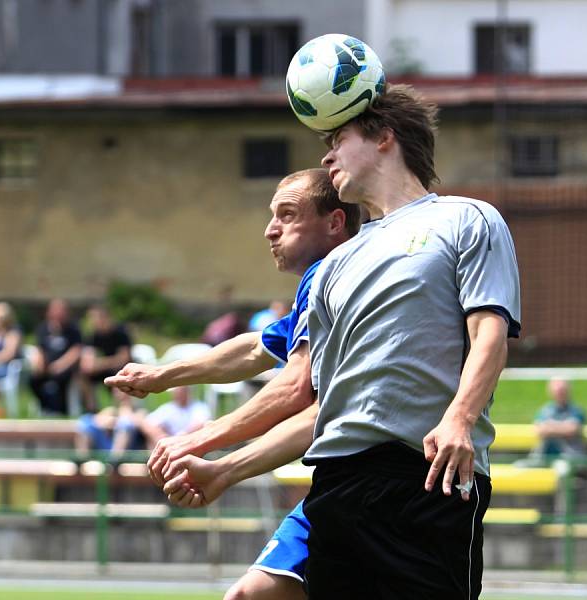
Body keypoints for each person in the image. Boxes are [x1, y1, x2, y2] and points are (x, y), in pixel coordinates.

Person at [165, 85, 521, 600]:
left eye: (339, 137)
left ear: (384, 138)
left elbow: (489, 332)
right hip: (336, 484)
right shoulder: (331, 268)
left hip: (426, 476)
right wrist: (225, 471)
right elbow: (318, 405)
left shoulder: (467, 219)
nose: (327, 155)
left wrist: (460, 417)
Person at [107, 167, 360, 600]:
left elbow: (294, 388)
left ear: (335, 223)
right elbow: (254, 349)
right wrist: (160, 376)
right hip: (348, 479)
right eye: (271, 215)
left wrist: (196, 441)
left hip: (369, 479)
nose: (270, 231)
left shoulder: (328, 275)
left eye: (287, 215)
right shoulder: (323, 285)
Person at [29, 299, 82, 415]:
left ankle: (60, 411)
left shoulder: (73, 330)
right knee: (33, 380)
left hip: (65, 368)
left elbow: (76, 351)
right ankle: (45, 407)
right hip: (46, 367)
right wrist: (39, 363)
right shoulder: (43, 329)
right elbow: (39, 348)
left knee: (61, 379)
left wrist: (60, 365)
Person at [77, 304, 132, 412]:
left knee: (121, 376)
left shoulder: (121, 334)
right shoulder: (92, 337)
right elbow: (87, 364)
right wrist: (100, 364)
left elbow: (123, 358)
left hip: (119, 369)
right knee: (82, 375)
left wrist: (101, 363)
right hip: (101, 370)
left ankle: (123, 411)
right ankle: (92, 410)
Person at [75, 386, 146, 457]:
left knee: (125, 425)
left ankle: (115, 461)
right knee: (85, 421)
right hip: (108, 444)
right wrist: (109, 422)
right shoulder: (111, 410)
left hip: (129, 449)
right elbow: (97, 421)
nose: (120, 394)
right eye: (117, 391)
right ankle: (82, 458)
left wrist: (120, 418)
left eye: (123, 391)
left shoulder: (139, 411)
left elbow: (137, 422)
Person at [531, 378, 587, 463]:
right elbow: (539, 430)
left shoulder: (576, 410)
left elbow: (572, 430)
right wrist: (562, 426)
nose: (560, 394)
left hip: (570, 457)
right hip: (544, 457)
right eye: (557, 391)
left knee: (562, 469)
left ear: (568, 391)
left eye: (562, 391)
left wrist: (550, 425)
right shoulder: (545, 410)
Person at [138, 386, 211, 449]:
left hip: (191, 444)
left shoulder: (199, 407)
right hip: (172, 445)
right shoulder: (168, 408)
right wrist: (160, 436)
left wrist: (180, 437)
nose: (179, 392)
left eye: (182, 390)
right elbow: (148, 423)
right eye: (177, 390)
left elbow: (201, 423)